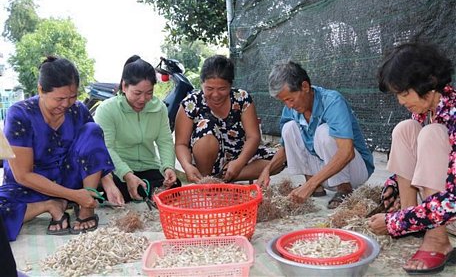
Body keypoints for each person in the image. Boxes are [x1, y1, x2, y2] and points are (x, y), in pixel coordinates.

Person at [0, 56, 114, 241]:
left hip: (68, 178)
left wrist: (107, 182)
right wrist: (73, 196)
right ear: (40, 90)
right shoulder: (19, 114)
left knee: (92, 129)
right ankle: (50, 205)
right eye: (59, 98)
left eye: (73, 97)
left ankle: (86, 208)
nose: (66, 104)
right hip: (30, 186)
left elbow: (94, 149)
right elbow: (22, 175)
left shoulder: (78, 110)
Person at [368, 42, 456, 274]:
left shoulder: (454, 114)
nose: (401, 101)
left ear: (428, 83)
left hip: (450, 208)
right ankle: (412, 216)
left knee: (431, 134)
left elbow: (453, 200)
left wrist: (394, 222)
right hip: (439, 208)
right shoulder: (430, 108)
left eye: (404, 93)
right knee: (405, 129)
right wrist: (393, 187)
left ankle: (437, 239)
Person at [257, 60, 375, 209]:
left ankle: (343, 188)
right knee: (289, 128)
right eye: (284, 101)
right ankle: (315, 185)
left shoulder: (332, 101)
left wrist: (309, 186)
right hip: (325, 172)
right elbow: (285, 147)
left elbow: (347, 152)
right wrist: (267, 170)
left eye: (290, 99)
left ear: (305, 87)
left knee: (324, 132)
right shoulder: (291, 109)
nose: (289, 105)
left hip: (354, 172)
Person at [174, 55, 276, 183]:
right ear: (202, 84)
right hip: (205, 158)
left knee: (279, 160)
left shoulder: (242, 98)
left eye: (222, 89)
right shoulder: (190, 103)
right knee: (206, 127)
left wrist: (239, 162)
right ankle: (206, 182)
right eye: (209, 89)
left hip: (238, 156)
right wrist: (187, 166)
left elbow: (253, 137)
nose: (216, 95)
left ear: (230, 84)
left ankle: (221, 180)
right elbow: (181, 144)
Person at [94, 55, 179, 202]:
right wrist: (127, 175)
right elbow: (107, 148)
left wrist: (168, 167)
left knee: (174, 187)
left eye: (149, 93)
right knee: (116, 188)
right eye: (137, 93)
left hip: (149, 168)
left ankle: (139, 191)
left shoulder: (159, 109)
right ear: (124, 87)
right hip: (118, 170)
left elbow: (165, 141)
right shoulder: (107, 110)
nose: (143, 99)